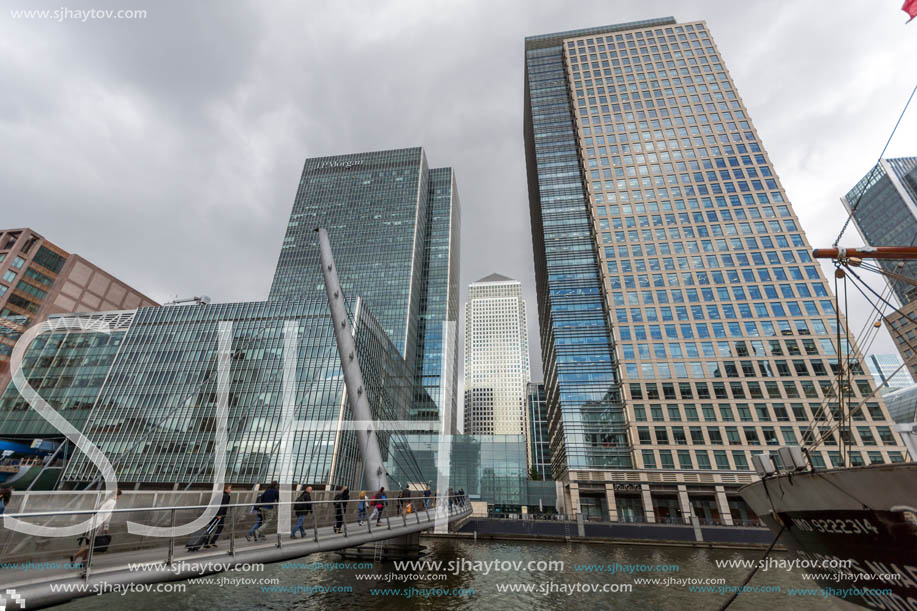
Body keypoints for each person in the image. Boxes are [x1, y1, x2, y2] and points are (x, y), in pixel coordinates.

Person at [72, 488, 122, 565]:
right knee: (92, 545)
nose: (118, 498)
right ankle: (75, 556)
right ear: (116, 495)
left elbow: (96, 509)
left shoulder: (106, 500)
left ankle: (83, 562)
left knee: (89, 544)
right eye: (118, 496)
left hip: (92, 523)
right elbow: (107, 515)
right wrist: (106, 527)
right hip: (97, 524)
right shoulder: (112, 502)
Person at [204, 484, 231, 548]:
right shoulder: (225, 496)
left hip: (214, 514)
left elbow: (213, 503)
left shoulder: (220, 495)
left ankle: (211, 542)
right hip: (218, 515)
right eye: (229, 488)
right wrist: (219, 514)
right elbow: (222, 506)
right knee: (213, 528)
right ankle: (207, 542)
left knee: (216, 527)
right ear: (226, 489)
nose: (230, 490)